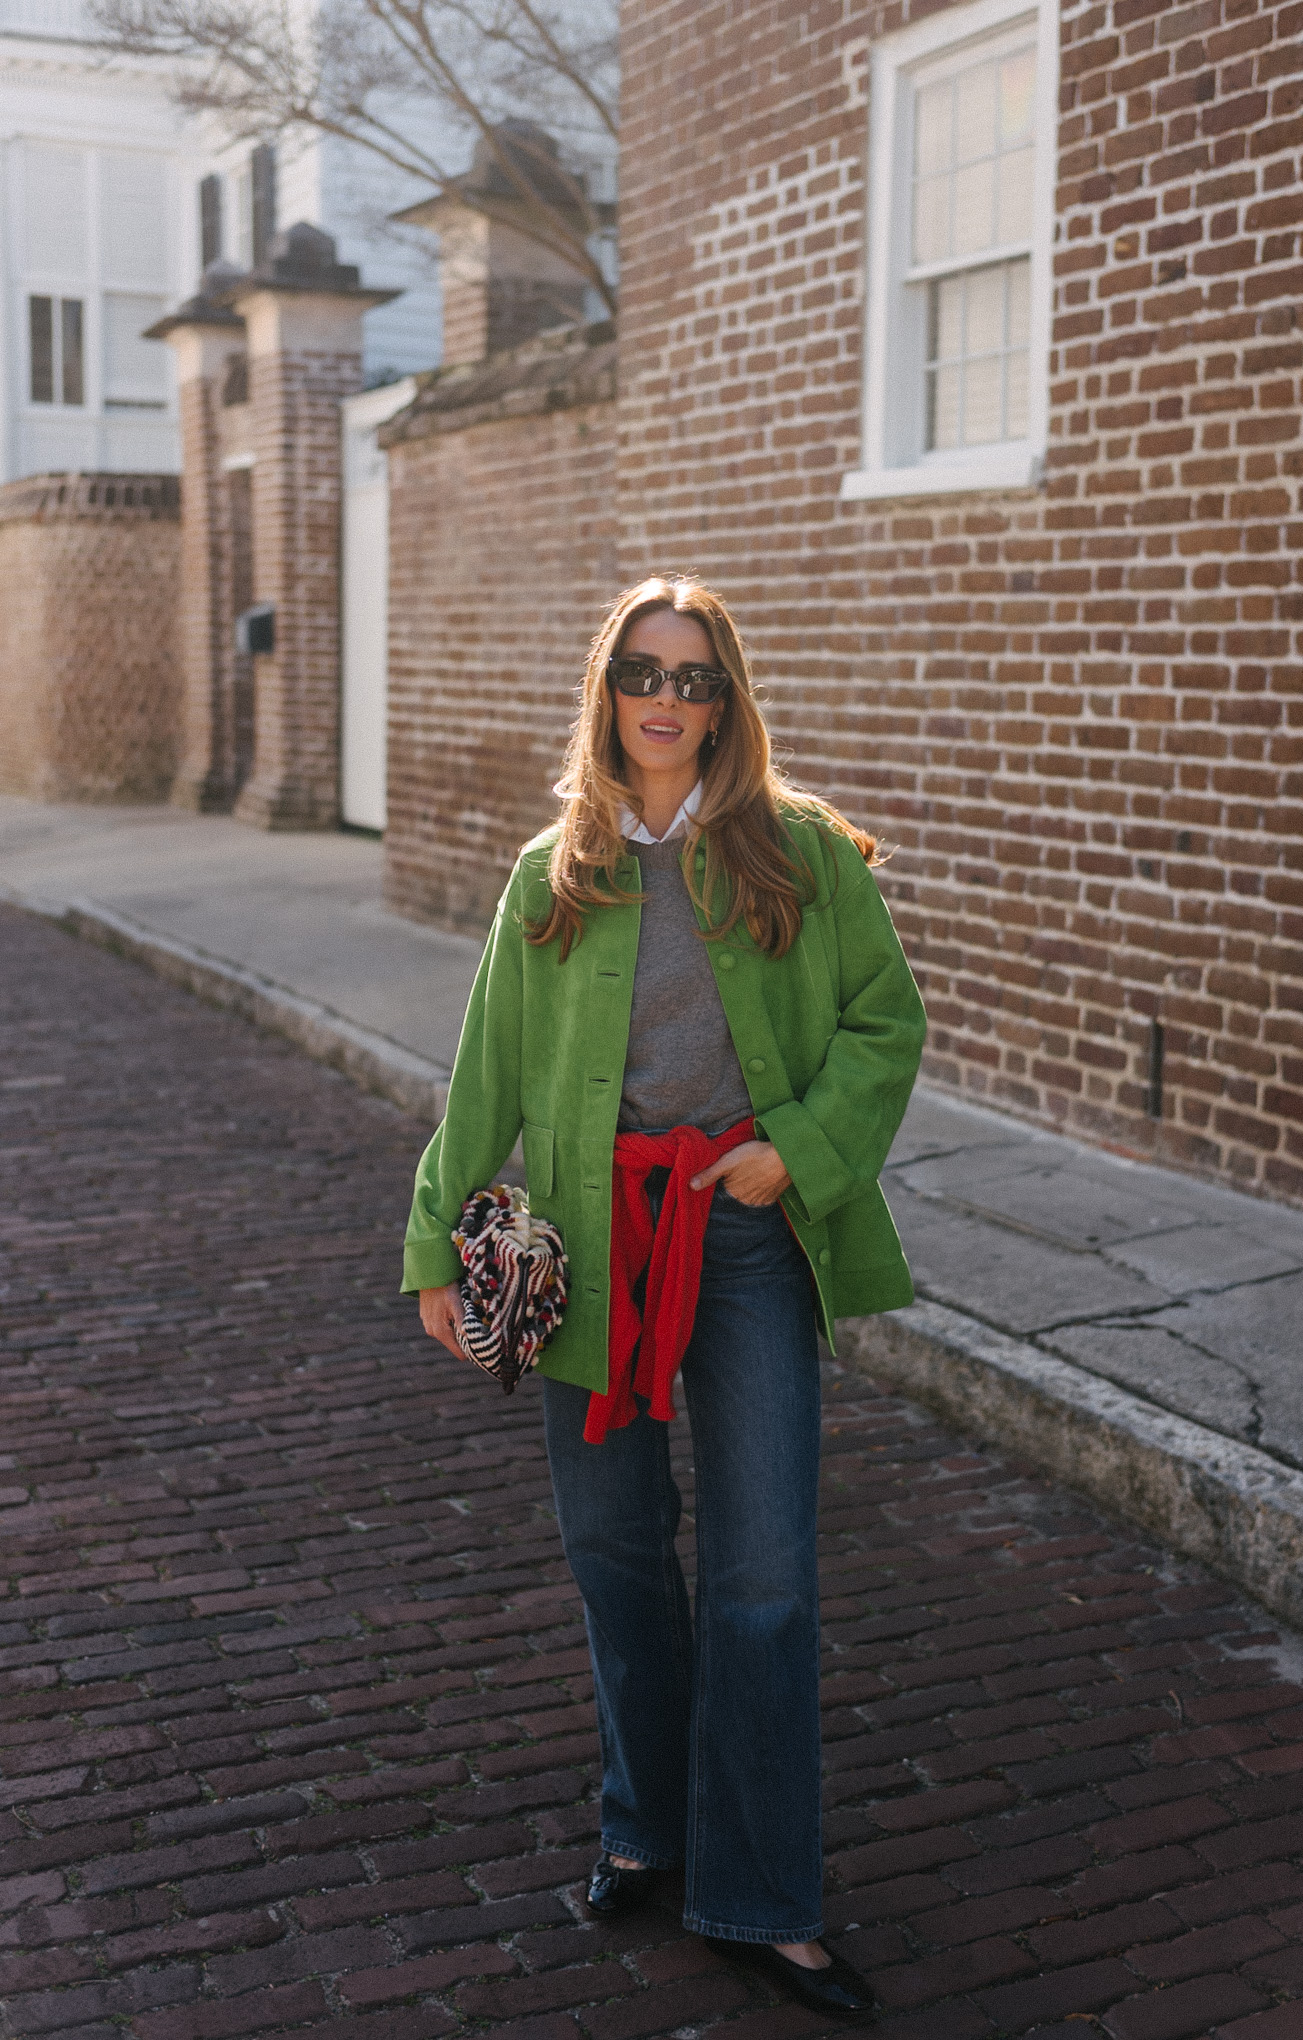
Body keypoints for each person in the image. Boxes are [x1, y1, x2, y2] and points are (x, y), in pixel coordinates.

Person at [404, 577, 926, 2023]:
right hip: (591, 1247)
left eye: (695, 678)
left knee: (763, 1579)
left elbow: (890, 1022)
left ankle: (762, 1898)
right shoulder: (553, 871)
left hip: (749, 1239)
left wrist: (795, 1155)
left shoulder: (800, 854)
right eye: (642, 670)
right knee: (616, 1550)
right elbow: (488, 1069)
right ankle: (645, 1817)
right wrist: (434, 1241)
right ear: (607, 689)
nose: (667, 698)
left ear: (727, 701)